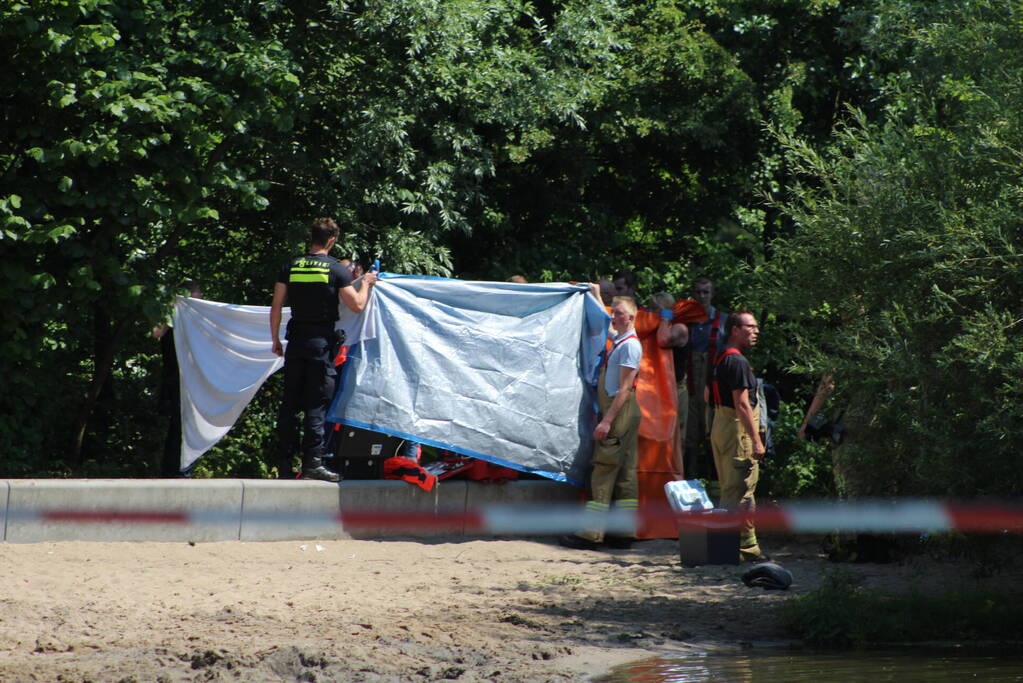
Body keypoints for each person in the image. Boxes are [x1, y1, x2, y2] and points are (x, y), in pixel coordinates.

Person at [271, 217, 378, 481]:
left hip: (295, 342)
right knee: (316, 405)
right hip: (320, 345)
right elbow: (357, 306)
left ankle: (284, 466)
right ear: (331, 240)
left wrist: (275, 340)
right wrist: (365, 283)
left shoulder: (291, 265)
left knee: (289, 405)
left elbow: (276, 307)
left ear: (312, 237)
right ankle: (312, 465)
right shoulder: (336, 270)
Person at [560, 296, 643, 550]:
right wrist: (595, 295)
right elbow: (606, 324)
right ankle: (623, 531)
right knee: (626, 473)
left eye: (618, 313)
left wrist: (606, 421)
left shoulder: (630, 346)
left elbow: (624, 390)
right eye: (613, 312)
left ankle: (591, 532)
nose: (614, 316)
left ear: (630, 318)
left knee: (603, 469)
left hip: (619, 411)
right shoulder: (620, 339)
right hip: (624, 412)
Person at [709, 310, 767, 562]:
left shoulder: (720, 357)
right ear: (734, 329)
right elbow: (742, 404)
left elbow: (705, 396)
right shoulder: (738, 362)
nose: (755, 331)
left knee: (732, 488)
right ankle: (728, 550)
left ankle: (747, 547)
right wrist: (756, 440)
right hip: (737, 429)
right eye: (750, 327)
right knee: (739, 489)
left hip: (720, 425)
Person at [152, 280, 202, 477]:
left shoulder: (198, 318)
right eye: (198, 297)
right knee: (178, 426)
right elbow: (156, 332)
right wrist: (172, 306)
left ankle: (182, 470)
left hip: (193, 380)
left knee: (188, 426)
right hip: (175, 378)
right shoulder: (171, 314)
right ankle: (175, 471)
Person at [684, 276, 728, 480]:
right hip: (690, 385)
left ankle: (716, 483)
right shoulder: (684, 321)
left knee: (715, 435)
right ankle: (688, 481)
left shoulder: (724, 321)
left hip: (715, 387)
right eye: (698, 292)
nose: (702, 296)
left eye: (706, 292)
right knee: (689, 436)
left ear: (712, 294)